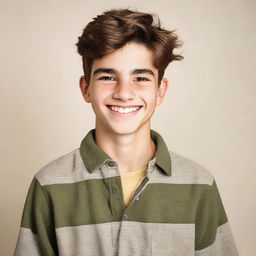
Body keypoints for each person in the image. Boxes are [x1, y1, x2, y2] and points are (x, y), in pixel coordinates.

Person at [14, 8, 239, 256]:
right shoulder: (48, 184)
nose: (124, 92)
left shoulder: (199, 184)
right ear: (86, 89)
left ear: (160, 90)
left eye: (140, 78)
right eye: (108, 77)